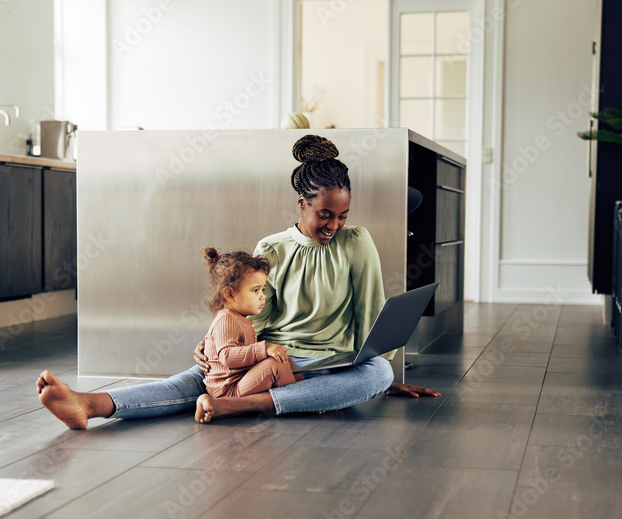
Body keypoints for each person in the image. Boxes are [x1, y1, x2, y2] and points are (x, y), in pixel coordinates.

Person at [37, 134, 438, 430]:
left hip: (331, 363)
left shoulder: (357, 243)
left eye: (342, 215)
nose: (334, 224)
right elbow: (252, 314)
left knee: (378, 373)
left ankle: (242, 406)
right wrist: (217, 346)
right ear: (302, 204)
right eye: (324, 214)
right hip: (270, 357)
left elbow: (371, 314)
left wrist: (382, 377)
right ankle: (89, 404)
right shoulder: (272, 248)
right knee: (196, 378)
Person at [195, 246, 303, 423]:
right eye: (255, 290)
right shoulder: (226, 320)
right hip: (228, 390)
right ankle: (298, 402)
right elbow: (228, 356)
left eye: (262, 290)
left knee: (283, 358)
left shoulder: (239, 318)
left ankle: (305, 393)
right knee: (275, 364)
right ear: (229, 294)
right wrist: (264, 349)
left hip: (241, 380)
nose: (262, 296)